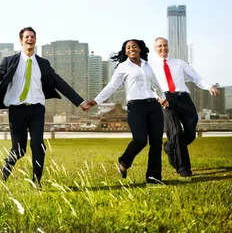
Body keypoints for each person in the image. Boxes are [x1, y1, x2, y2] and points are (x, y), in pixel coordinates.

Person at [0, 27, 90, 186]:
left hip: (37, 109)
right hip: (17, 110)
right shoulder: (10, 61)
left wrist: (80, 102)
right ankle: (5, 172)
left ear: (35, 40)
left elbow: (60, 83)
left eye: (32, 37)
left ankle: (36, 182)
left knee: (38, 145)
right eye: (27, 37)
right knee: (19, 150)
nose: (30, 39)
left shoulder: (43, 64)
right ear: (21, 41)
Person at [88, 39, 168, 187]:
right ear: (125, 52)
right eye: (128, 47)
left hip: (153, 105)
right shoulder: (123, 67)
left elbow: (156, 84)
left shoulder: (147, 65)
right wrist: (96, 101)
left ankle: (153, 178)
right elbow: (112, 86)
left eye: (134, 47)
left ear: (139, 49)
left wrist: (164, 99)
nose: (132, 49)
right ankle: (124, 161)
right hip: (136, 106)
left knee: (156, 143)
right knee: (140, 140)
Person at [150, 37, 220, 180]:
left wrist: (209, 86)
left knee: (191, 130)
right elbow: (147, 85)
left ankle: (170, 147)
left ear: (168, 47)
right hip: (166, 99)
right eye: (159, 46)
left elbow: (195, 77)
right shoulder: (150, 66)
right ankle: (184, 169)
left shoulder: (179, 63)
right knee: (175, 132)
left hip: (183, 98)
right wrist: (158, 97)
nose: (163, 48)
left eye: (165, 45)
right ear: (155, 48)